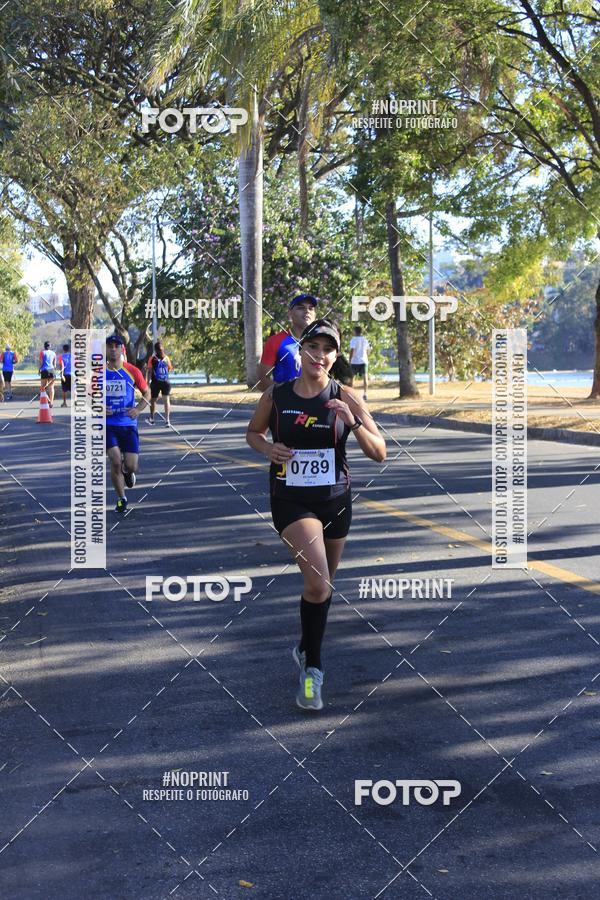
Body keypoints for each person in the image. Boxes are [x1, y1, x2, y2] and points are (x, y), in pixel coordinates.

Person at [246, 318, 386, 711]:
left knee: (321, 588)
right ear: (301, 350)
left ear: (335, 357)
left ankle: (305, 648)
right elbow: (253, 433)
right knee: (320, 582)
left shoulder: (348, 396)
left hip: (336, 500)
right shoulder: (278, 395)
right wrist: (267, 449)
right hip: (291, 500)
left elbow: (380, 452)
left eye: (328, 350)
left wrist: (353, 421)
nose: (319, 356)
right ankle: (313, 670)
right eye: (313, 347)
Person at [105, 333, 151, 513]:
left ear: (121, 349)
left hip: (128, 425)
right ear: (106, 350)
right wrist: (99, 407)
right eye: (110, 346)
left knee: (131, 465)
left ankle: (127, 471)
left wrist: (138, 409)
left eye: (116, 346)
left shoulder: (132, 371)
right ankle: (121, 499)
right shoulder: (99, 373)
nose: (113, 349)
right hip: (108, 425)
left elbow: (147, 393)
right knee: (115, 460)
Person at [256, 294, 317, 391]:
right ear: (290, 313)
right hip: (286, 404)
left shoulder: (322, 342)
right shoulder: (275, 341)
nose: (307, 311)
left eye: (311, 308)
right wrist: (285, 396)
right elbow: (262, 381)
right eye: (301, 308)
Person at [147, 341, 173, 426]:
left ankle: (152, 419)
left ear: (155, 349)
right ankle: (167, 420)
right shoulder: (166, 358)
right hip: (166, 382)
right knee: (166, 400)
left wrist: (148, 382)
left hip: (155, 382)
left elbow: (150, 371)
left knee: (153, 400)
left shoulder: (152, 358)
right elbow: (169, 369)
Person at [349, 325, 371, 400]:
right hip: (363, 360)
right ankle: (365, 393)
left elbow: (352, 350)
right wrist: (366, 357)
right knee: (365, 377)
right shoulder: (365, 339)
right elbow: (368, 350)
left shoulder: (353, 339)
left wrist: (349, 360)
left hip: (355, 361)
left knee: (352, 378)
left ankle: (352, 394)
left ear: (355, 331)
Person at [38, 341, 57, 406]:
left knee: (42, 387)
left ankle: (48, 400)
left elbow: (41, 362)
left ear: (44, 346)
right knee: (51, 387)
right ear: (50, 346)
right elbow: (54, 364)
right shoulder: (53, 353)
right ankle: (51, 402)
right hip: (52, 370)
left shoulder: (42, 353)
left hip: (44, 370)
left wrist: (39, 369)